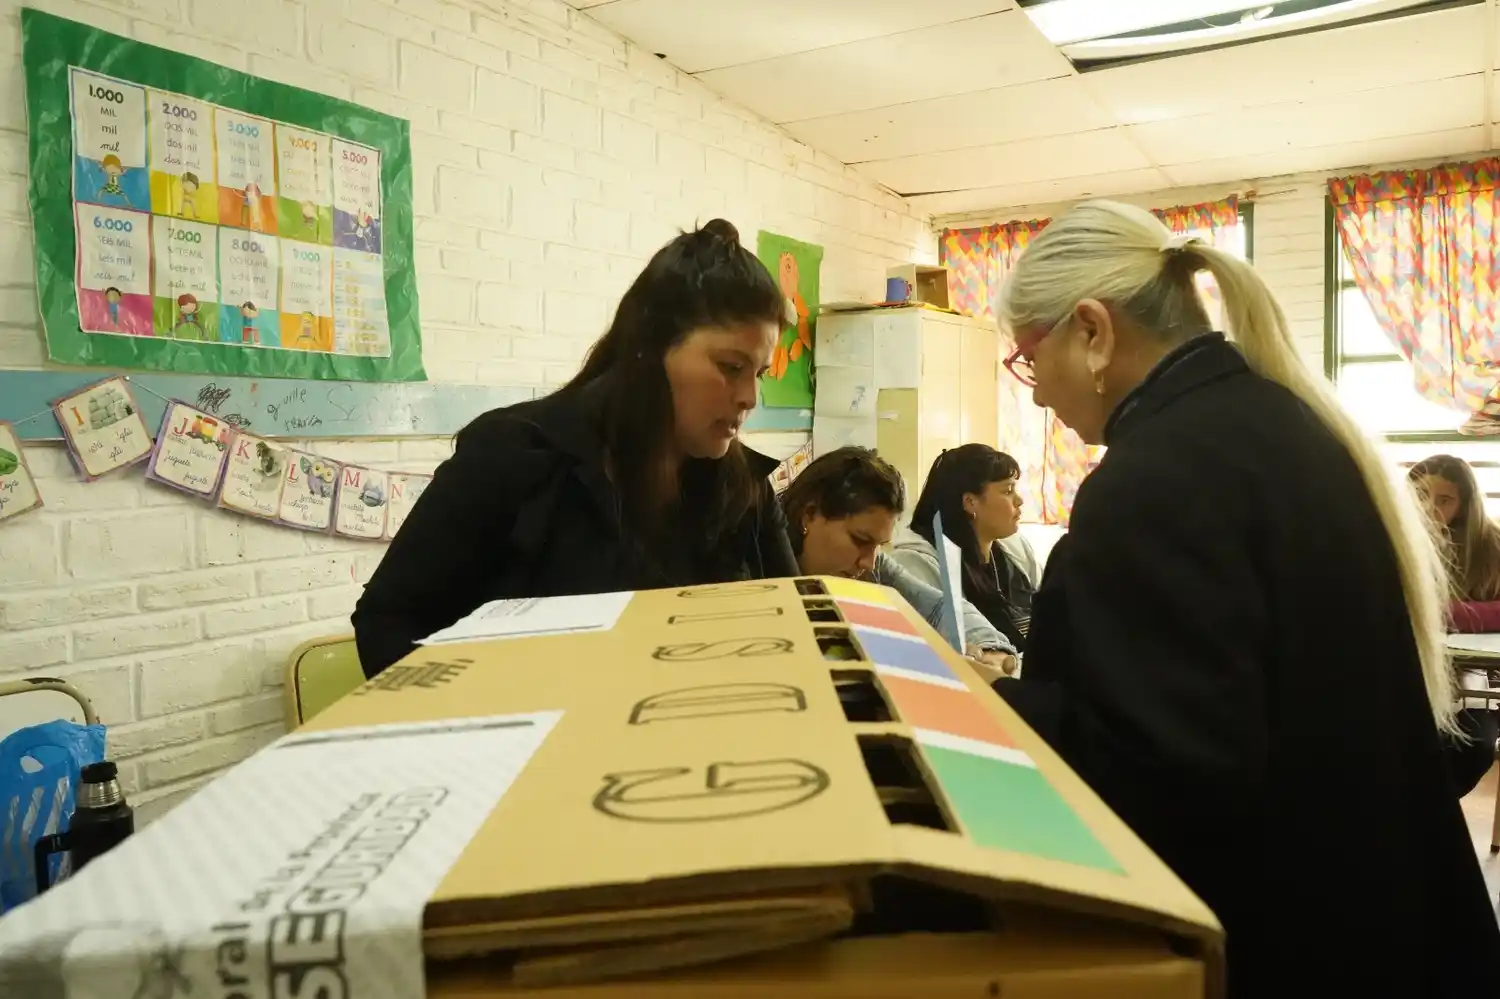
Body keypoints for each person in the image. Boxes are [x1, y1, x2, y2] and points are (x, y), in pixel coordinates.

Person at [989, 200, 1500, 995]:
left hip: (1285, 941)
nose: (1035, 393)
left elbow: (1164, 774)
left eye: (1026, 358)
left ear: (1091, 330)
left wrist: (988, 707)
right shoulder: (1287, 425)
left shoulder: (1154, 478)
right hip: (1385, 917)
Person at [354, 220, 798, 677]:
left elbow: (798, 630)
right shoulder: (513, 456)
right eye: (730, 366)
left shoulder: (745, 490)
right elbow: (387, 622)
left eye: (759, 373)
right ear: (651, 349)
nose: (749, 397)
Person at [781, 447, 1016, 678]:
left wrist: (988, 650)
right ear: (809, 515)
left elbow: (940, 608)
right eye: (860, 540)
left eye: (879, 546)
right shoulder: (755, 569)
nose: (869, 563)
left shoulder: (874, 568)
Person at [1409, 454, 1500, 795]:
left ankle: (1428, 817)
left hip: (1475, 680)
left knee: (1472, 746)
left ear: (1464, 504)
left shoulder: (1491, 546)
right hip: (1408, 671)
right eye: (1420, 495)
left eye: (1444, 499)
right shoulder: (1391, 539)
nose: (1428, 507)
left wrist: (1443, 613)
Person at [890, 444, 1037, 653]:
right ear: (970, 502)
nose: (1019, 500)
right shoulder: (916, 564)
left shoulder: (1016, 547)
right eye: (1008, 490)